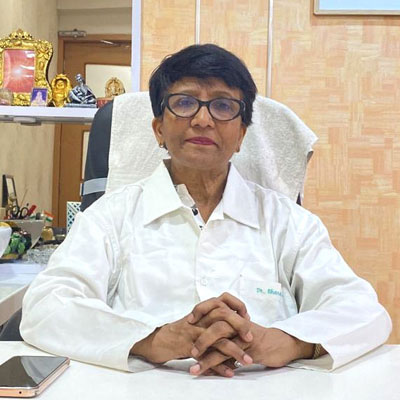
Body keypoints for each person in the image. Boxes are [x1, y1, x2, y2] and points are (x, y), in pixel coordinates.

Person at [20, 44, 391, 377]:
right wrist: (153, 340)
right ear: (158, 129)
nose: (202, 119)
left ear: (241, 135)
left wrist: (285, 342)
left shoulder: (288, 222)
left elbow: (363, 311)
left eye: (223, 105)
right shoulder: (109, 217)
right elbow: (45, 307)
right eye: (184, 102)